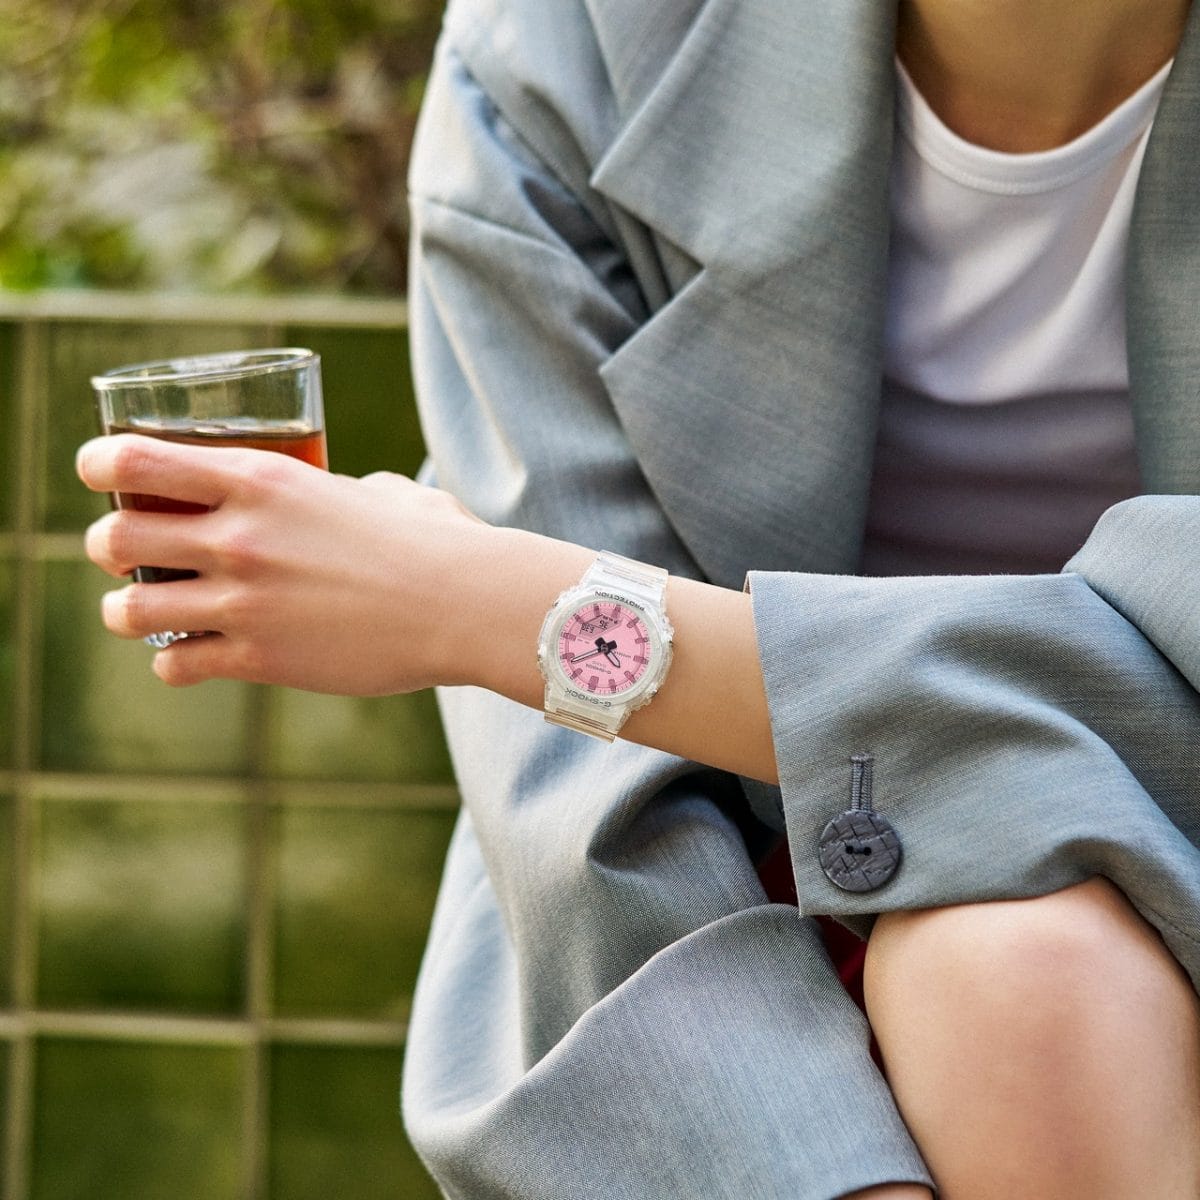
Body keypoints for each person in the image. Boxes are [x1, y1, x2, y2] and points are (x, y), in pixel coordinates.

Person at [76, 0, 1200, 1196]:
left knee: (1023, 976)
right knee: (1016, 971)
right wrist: (817, 1167)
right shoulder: (567, 42)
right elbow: (579, 796)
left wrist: (506, 609)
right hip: (705, 880)